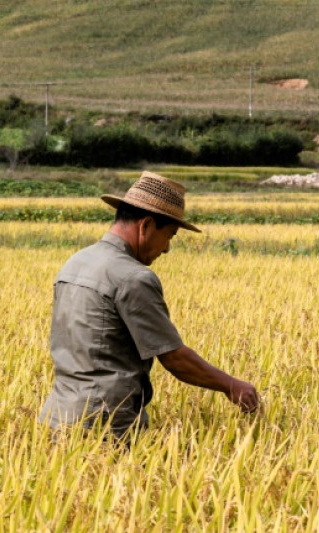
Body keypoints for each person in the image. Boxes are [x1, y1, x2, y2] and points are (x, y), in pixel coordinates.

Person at [39, 171, 260, 441]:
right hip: (104, 425)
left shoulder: (75, 262)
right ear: (146, 226)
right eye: (169, 235)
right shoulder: (133, 277)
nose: (166, 249)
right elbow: (174, 358)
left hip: (57, 417)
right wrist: (231, 385)